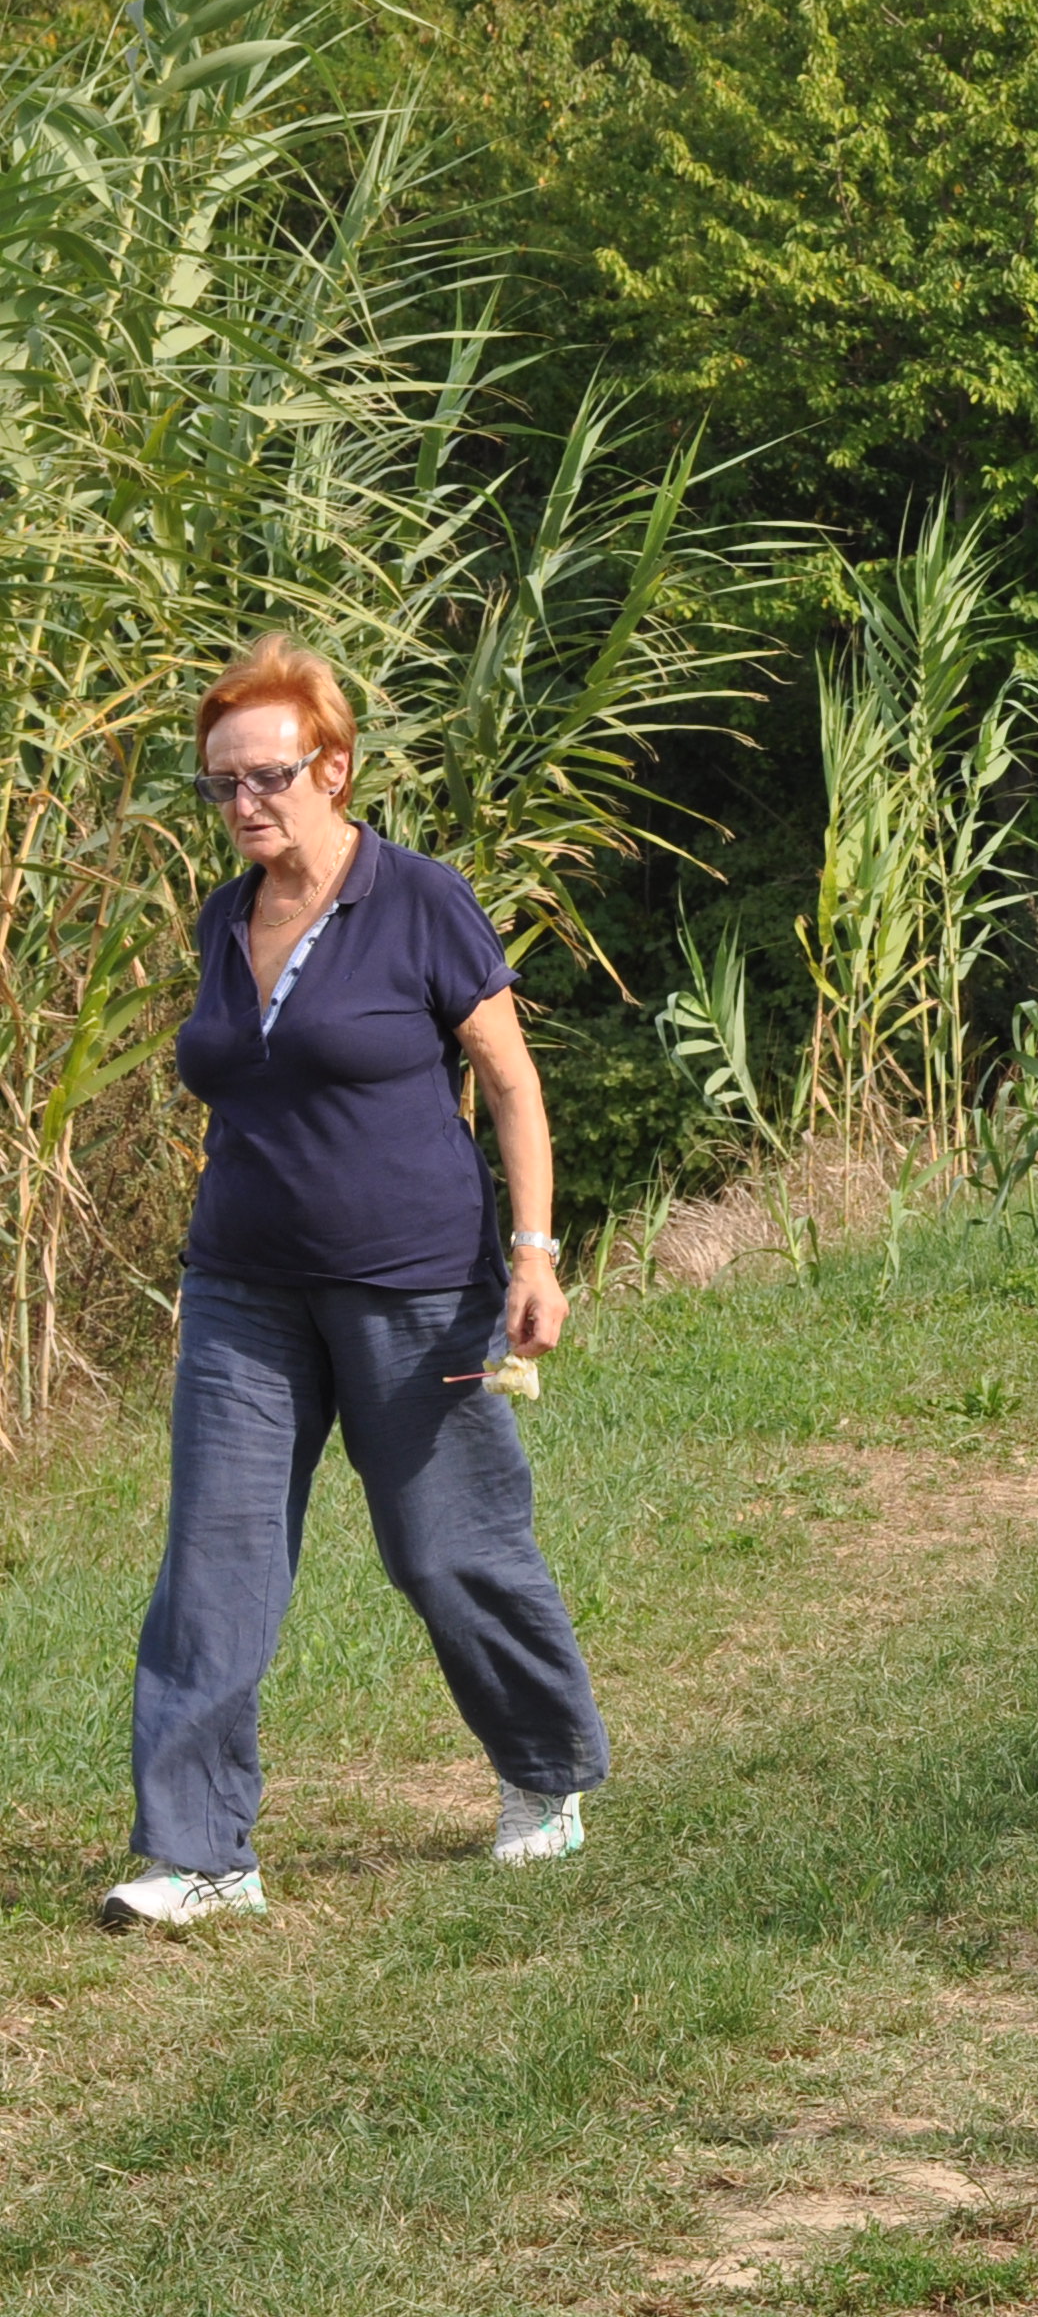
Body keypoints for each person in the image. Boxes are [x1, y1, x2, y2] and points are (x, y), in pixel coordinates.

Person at [107, 636, 607, 1932]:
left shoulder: (419, 900)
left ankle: (543, 1775)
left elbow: (509, 1079)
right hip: (242, 1291)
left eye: (265, 778)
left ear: (332, 769)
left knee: (448, 1550)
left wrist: (536, 1254)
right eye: (219, 786)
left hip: (415, 1287)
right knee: (213, 1566)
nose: (241, 807)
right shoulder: (227, 915)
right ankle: (201, 1852)